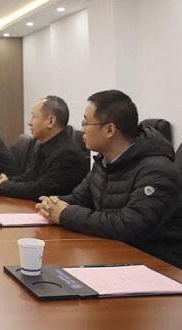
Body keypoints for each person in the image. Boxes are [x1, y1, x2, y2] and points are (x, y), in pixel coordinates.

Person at [36, 90, 182, 268]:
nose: (81, 129)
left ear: (110, 130)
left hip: (157, 265)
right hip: (114, 253)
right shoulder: (104, 162)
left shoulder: (157, 171)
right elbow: (79, 198)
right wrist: (52, 204)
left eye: (86, 122)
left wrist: (65, 214)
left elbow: (129, 225)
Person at [0, 96, 88, 200]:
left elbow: (41, 190)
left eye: (33, 117)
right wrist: (5, 180)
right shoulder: (42, 144)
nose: (29, 122)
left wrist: (3, 186)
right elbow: (30, 177)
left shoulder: (67, 153)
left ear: (50, 121)